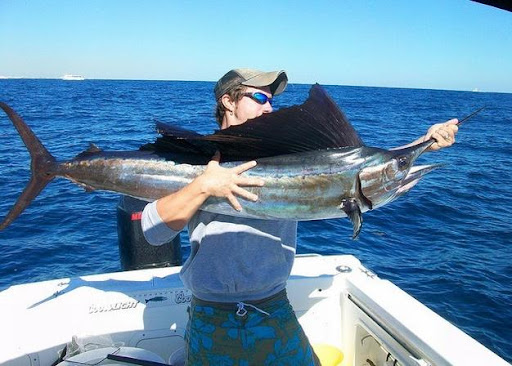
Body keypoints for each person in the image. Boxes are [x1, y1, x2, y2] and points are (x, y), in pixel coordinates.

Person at [141, 68, 458, 365]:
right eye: (260, 98)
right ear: (227, 100)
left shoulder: (287, 156)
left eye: (272, 101)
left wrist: (424, 143)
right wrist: (202, 186)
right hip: (212, 316)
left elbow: (356, 167)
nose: (269, 108)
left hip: (275, 308)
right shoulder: (198, 163)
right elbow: (153, 232)